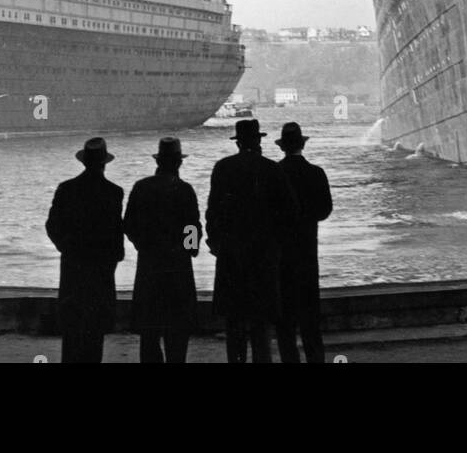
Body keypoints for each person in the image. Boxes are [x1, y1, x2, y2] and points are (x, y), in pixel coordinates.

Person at [206, 118, 298, 363]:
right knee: (260, 324)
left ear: (237, 142)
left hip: (231, 257)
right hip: (263, 257)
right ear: (258, 141)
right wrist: (278, 247)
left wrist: (210, 245)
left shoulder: (222, 168)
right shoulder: (271, 169)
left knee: (234, 324)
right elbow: (289, 214)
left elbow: (211, 213)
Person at [45, 137, 124, 363]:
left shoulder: (66, 188)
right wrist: (113, 259)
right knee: (94, 334)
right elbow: (117, 232)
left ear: (84, 161)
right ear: (104, 163)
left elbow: (52, 225)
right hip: (100, 269)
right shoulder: (114, 192)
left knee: (72, 332)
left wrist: (66, 248)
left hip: (73, 267)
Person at [122, 137, 201, 363]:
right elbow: (192, 227)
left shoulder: (141, 187)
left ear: (158, 161)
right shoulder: (185, 190)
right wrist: (190, 251)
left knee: (149, 335)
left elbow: (128, 225)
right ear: (178, 162)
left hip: (149, 267)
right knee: (177, 335)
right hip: (178, 269)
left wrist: (142, 245)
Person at [273, 122, 333, 363]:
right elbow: (325, 210)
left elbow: (269, 211)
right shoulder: (316, 173)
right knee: (310, 318)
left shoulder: (275, 173)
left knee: (285, 321)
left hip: (281, 255)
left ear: (282, 147)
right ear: (302, 144)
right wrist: (306, 219)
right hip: (308, 252)